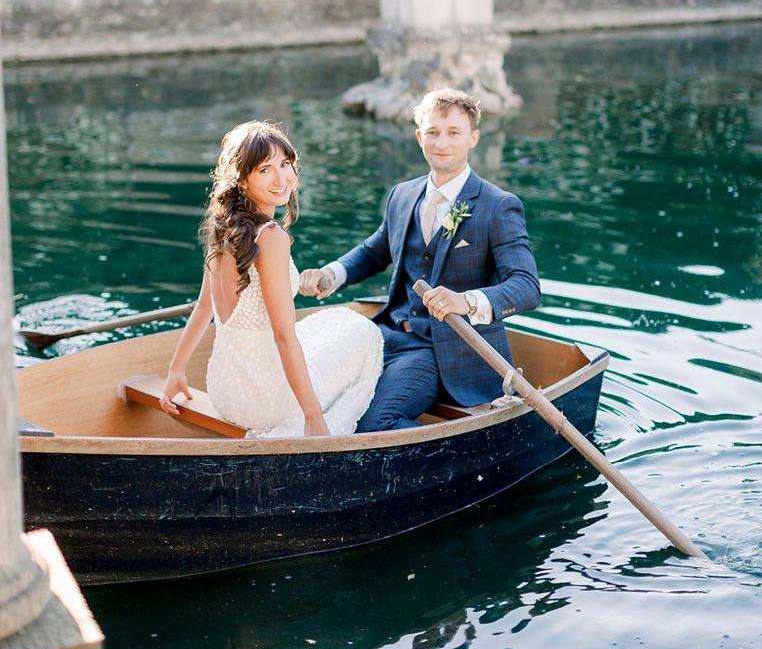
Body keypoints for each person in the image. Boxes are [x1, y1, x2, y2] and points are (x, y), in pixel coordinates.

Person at [300, 88, 540, 432]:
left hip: (441, 350)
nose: (441, 142)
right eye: (433, 132)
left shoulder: (498, 206)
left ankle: (460, 458)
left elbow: (527, 286)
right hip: (386, 332)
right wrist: (331, 274)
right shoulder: (402, 194)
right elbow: (374, 252)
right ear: (419, 137)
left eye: (453, 133)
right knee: (310, 388)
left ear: (473, 138)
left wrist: (466, 301)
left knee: (374, 424)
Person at [159, 121, 383, 437]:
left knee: (334, 324)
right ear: (242, 179)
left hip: (225, 391)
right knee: (364, 332)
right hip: (266, 402)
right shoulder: (271, 237)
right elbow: (283, 337)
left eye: (285, 164)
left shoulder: (222, 228)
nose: (282, 179)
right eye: (265, 170)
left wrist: (176, 370)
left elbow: (202, 308)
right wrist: (313, 415)